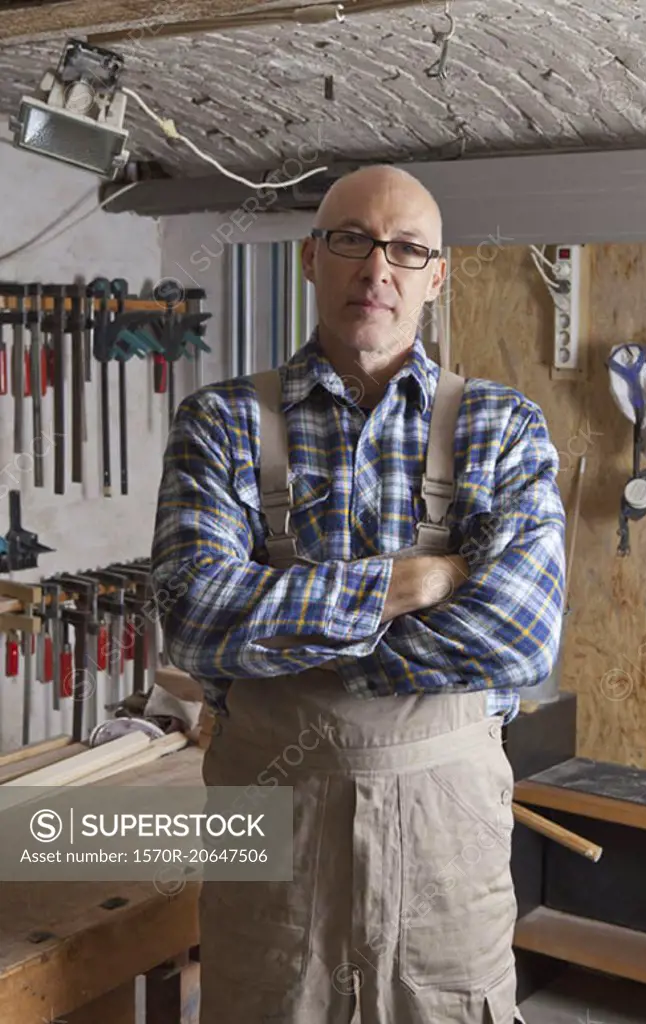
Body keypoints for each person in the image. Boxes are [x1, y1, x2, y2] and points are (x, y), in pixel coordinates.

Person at [150, 163, 566, 1024]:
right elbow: (194, 619)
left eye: (407, 249)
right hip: (269, 841)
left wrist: (286, 636)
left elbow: (520, 639)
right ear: (312, 259)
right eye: (352, 241)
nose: (377, 269)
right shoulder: (221, 423)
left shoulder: (503, 426)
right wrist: (414, 583)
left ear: (436, 276)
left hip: (446, 852)